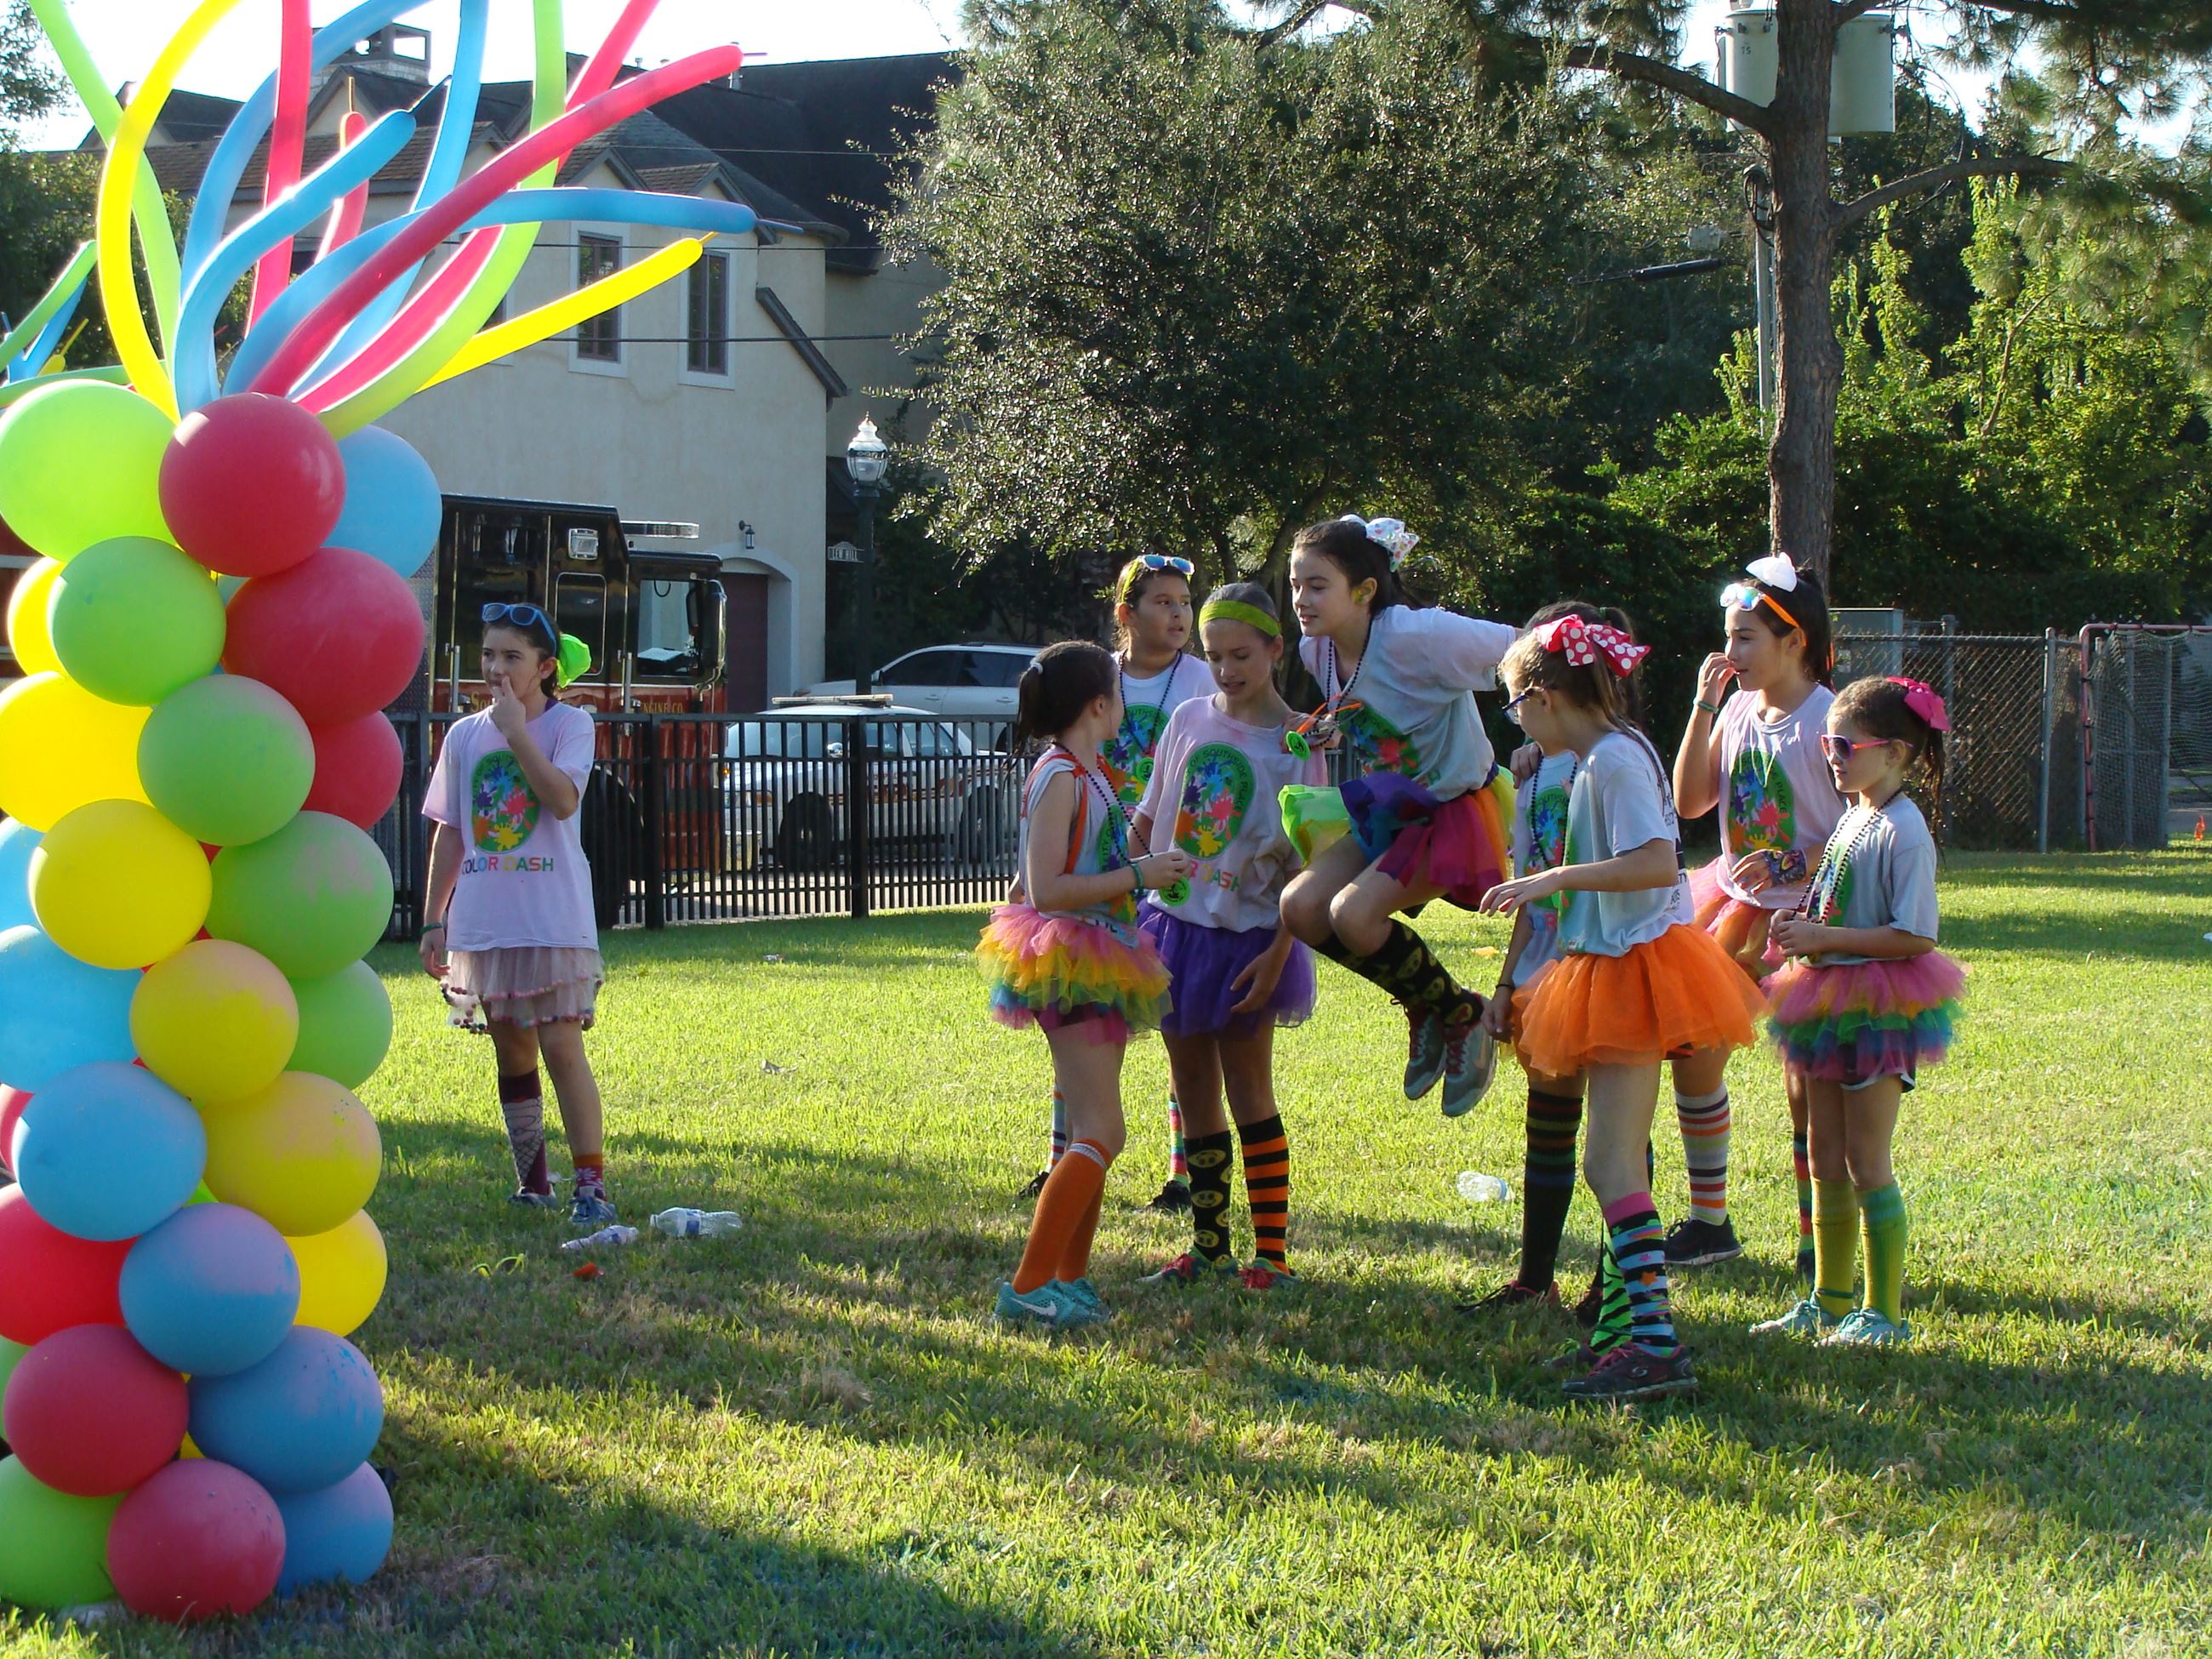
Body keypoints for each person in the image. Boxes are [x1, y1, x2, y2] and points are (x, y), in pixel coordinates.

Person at [1481, 616, 1766, 1402]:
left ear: (1544, 698)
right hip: (1621, 964)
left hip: (1635, 969)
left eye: (1516, 706)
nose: (1518, 721)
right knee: (1611, 1159)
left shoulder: (1611, 761)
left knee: (1609, 1163)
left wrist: (1552, 880)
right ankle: (1624, 1337)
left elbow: (1650, 863)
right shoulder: (1614, 751)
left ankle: (1655, 1343)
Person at [979, 641, 1196, 1330]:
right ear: (1099, 705)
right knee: (1103, 1130)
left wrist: (1152, 859)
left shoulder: (1090, 772)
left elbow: (1056, 868)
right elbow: (1045, 889)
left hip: (1099, 954)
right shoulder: (1061, 775)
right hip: (1073, 959)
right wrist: (1140, 876)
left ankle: (1069, 1280)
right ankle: (1029, 1284)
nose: (1127, 703)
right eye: (1119, 693)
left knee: (1088, 1127)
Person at [1278, 515, 1517, 1118]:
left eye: (1317, 585)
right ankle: (1441, 1007)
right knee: (1301, 909)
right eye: (1296, 584)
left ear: (1364, 591)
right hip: (1399, 806)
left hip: (1460, 807)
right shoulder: (1318, 649)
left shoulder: (1420, 635)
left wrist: (1548, 733)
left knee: (1353, 917)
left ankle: (1462, 1017)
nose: (1302, 600)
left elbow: (1531, 648)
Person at [1752, 676, 1964, 1348]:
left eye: (1845, 745)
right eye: (1827, 743)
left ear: (1898, 753)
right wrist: (1800, 922)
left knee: (1867, 1160)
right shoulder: (1855, 815)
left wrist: (1828, 939)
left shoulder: (1905, 829)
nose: (1833, 757)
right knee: (1823, 1157)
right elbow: (1834, 896)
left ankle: (1884, 1313)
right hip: (1823, 1000)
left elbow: (1915, 935)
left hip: (1876, 1009)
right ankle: (1829, 1297)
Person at [1125, 584, 1324, 1292]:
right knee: (1194, 1094)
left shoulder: (1300, 743)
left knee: (1250, 1095)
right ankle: (1209, 1248)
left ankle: (1271, 1256)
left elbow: (1309, 871)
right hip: (1175, 932)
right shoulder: (1185, 717)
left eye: (1242, 654)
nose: (1227, 670)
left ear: (1277, 648)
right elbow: (1149, 821)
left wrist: (1277, 962)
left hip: (1251, 943)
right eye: (1213, 657)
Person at [1671, 553, 1844, 1280]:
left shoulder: (1827, 719)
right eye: (1728, 636)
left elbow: (1855, 827)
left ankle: (1816, 1244)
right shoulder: (1739, 705)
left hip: (1812, 920)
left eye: (1746, 639)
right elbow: (1690, 803)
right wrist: (1704, 707)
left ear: (1794, 641)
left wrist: (1790, 865)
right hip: (1734, 912)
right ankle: (1711, 1223)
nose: (1729, 653)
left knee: (1805, 1087)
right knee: (1692, 1053)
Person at [1462, 602, 1639, 1314]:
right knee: (1549, 1117)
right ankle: (1534, 1278)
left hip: (1606, 960)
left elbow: (1644, 864)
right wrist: (1507, 981)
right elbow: (1527, 888)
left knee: (1618, 1136)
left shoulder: (1613, 758)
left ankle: (1618, 1284)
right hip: (1546, 967)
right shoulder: (1528, 767)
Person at [1022, 555, 1208, 1214]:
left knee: (1179, 1027)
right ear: (1126, 614)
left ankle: (1183, 1172)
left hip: (1161, 872)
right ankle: (1063, 1160)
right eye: (1162, 602)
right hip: (1095, 885)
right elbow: (1045, 881)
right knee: (1089, 1036)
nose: (1179, 614)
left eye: (1185, 602)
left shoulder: (1201, 682)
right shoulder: (1090, 688)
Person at [419, 603, 613, 1225]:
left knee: (561, 1045)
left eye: (512, 657)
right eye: (488, 655)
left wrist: (517, 731)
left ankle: (591, 1188)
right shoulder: (463, 734)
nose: (496, 668)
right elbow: (451, 831)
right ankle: (533, 1182)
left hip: (552, 918)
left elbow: (560, 801)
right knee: (513, 1052)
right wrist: (433, 919)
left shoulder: (571, 725)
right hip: (484, 922)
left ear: (545, 667)